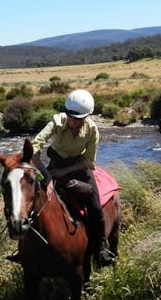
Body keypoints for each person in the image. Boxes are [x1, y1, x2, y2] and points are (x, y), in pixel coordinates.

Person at [30, 88, 115, 268]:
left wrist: (64, 173)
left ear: (86, 117)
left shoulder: (92, 130)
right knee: (32, 200)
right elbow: (36, 145)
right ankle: (26, 250)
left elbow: (89, 162)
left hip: (78, 168)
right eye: (70, 116)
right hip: (55, 166)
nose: (72, 121)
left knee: (95, 205)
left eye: (77, 118)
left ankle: (100, 249)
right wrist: (47, 174)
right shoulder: (57, 121)